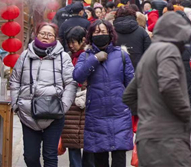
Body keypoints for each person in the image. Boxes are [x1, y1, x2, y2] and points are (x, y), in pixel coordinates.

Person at [122, 12, 191, 167]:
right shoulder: (168, 50)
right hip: (169, 139)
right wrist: (185, 113)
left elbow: (128, 96)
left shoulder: (149, 55)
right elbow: (168, 84)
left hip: (146, 138)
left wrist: (147, 114)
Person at [10, 22, 76, 167]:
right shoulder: (25, 55)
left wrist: (63, 106)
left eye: (49, 34)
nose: (45, 37)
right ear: (37, 34)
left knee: (50, 156)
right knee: (30, 157)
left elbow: (71, 83)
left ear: (55, 38)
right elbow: (14, 80)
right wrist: (16, 105)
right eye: (42, 33)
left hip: (54, 114)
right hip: (28, 114)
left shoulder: (63, 57)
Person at [73, 20, 135, 167]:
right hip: (96, 113)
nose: (100, 34)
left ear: (110, 33)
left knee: (119, 157)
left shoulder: (122, 55)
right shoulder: (86, 56)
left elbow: (132, 84)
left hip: (120, 112)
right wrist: (94, 59)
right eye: (96, 32)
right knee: (100, 159)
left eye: (103, 31)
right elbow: (78, 77)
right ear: (90, 35)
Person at [61, 26, 91, 167]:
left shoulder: (90, 55)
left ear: (83, 40)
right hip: (72, 103)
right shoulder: (67, 57)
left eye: (74, 42)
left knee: (89, 144)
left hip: (86, 101)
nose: (71, 46)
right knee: (72, 140)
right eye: (69, 42)